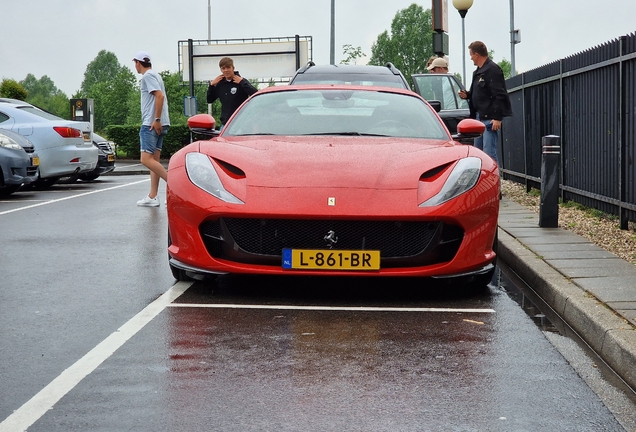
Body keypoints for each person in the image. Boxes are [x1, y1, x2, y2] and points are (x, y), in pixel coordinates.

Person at [458, 41, 512, 165]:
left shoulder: (492, 70)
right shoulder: (477, 72)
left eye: (471, 55)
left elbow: (500, 94)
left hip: (489, 118)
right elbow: (482, 93)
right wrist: (468, 95)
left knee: (489, 153)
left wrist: (498, 118)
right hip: (478, 118)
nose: (471, 58)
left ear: (476, 54)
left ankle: (494, 183)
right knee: (479, 154)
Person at [133, 51, 170, 207]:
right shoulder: (156, 75)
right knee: (154, 161)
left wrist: (156, 120)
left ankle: (177, 187)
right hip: (160, 122)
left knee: (145, 160)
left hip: (151, 123)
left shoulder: (147, 76)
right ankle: (153, 196)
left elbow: (159, 96)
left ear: (138, 63)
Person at [207, 57, 258, 127]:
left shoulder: (242, 81)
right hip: (226, 124)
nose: (226, 70)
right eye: (223, 68)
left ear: (233, 68)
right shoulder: (220, 84)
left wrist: (242, 83)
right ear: (221, 70)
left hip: (242, 124)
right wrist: (211, 85)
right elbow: (209, 100)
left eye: (228, 67)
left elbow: (255, 94)